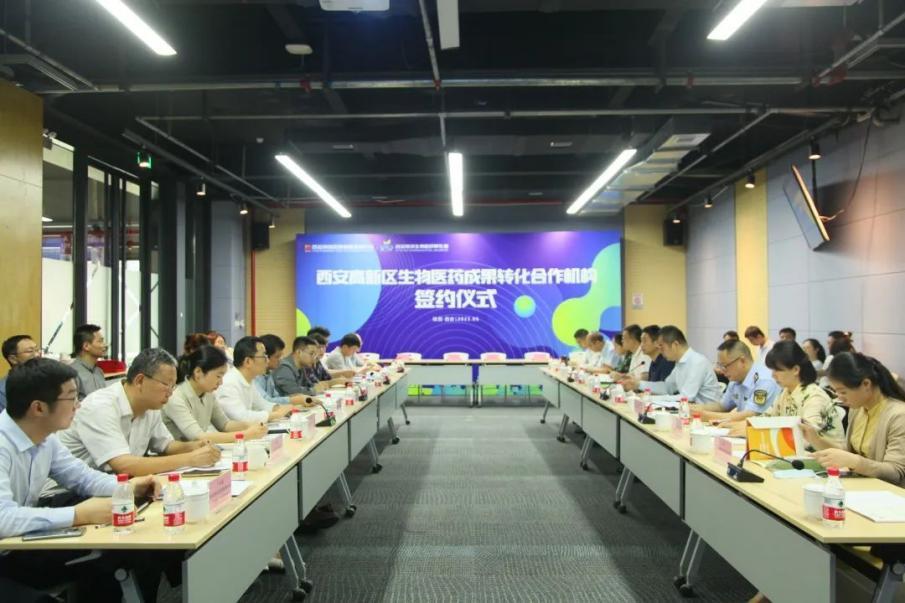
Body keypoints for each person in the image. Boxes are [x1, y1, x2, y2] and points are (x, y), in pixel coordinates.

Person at [0, 358, 164, 602]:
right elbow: (3, 519)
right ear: (38, 408)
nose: (78, 405)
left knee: (122, 556)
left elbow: (82, 477)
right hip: (8, 551)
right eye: (71, 397)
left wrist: (127, 487)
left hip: (18, 545)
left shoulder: (44, 437)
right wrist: (79, 515)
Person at [54, 349, 220, 478]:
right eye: (166, 385)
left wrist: (194, 447)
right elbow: (124, 466)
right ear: (140, 380)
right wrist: (190, 458)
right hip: (67, 495)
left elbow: (166, 446)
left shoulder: (151, 406)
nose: (171, 392)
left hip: (114, 485)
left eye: (173, 386)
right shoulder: (100, 406)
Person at [802, 352, 905, 487]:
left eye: (843, 392)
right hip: (863, 487)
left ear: (866, 384)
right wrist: (815, 439)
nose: (839, 397)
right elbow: (847, 454)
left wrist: (854, 462)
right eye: (836, 392)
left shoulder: (899, 415)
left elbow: (896, 473)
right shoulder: (857, 409)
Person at [163, 345, 268, 443]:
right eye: (218, 376)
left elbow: (225, 425)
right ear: (198, 372)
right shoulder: (176, 397)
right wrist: (246, 435)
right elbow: (198, 437)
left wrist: (250, 425)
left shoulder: (208, 394)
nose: (221, 382)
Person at [757, 341, 845, 447]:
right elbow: (766, 418)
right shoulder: (786, 392)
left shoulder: (814, 396)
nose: (773, 375)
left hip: (826, 455)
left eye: (777, 370)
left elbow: (805, 438)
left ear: (796, 370)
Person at [620, 326, 722, 404]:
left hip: (709, 416)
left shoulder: (697, 362)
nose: (660, 351)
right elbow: (667, 387)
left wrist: (651, 398)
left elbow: (686, 397)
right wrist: (638, 384)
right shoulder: (680, 363)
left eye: (662, 347)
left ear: (675, 345)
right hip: (692, 411)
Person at [692, 340, 781, 427]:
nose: (722, 371)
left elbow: (749, 416)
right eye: (720, 366)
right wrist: (695, 408)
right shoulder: (735, 379)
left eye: (725, 366)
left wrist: (704, 415)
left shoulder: (764, 380)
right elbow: (722, 406)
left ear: (742, 361)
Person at [216, 336, 293, 424]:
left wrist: (279, 408)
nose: (267, 361)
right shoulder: (228, 383)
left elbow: (262, 404)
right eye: (264, 356)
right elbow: (241, 417)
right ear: (248, 361)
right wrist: (276, 414)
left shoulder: (248, 380)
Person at [255, 334, 313, 406]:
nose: (281, 360)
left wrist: (293, 397)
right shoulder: (255, 377)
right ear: (266, 357)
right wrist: (293, 400)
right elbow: (265, 401)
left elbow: (275, 396)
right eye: (277, 356)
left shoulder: (268, 373)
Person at [274, 336, 341, 398]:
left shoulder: (302, 366)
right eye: (311, 354)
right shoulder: (285, 368)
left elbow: (310, 385)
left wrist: (319, 386)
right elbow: (294, 392)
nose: (314, 358)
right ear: (299, 352)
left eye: (315, 355)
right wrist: (314, 390)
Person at [0, 334, 40, 412]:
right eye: (30, 351)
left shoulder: (46, 380)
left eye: (37, 350)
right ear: (13, 359)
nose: (37, 355)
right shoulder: (3, 390)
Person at [71, 324, 108, 400]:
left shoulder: (99, 372)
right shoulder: (72, 374)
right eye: (100, 341)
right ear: (86, 346)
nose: (105, 345)